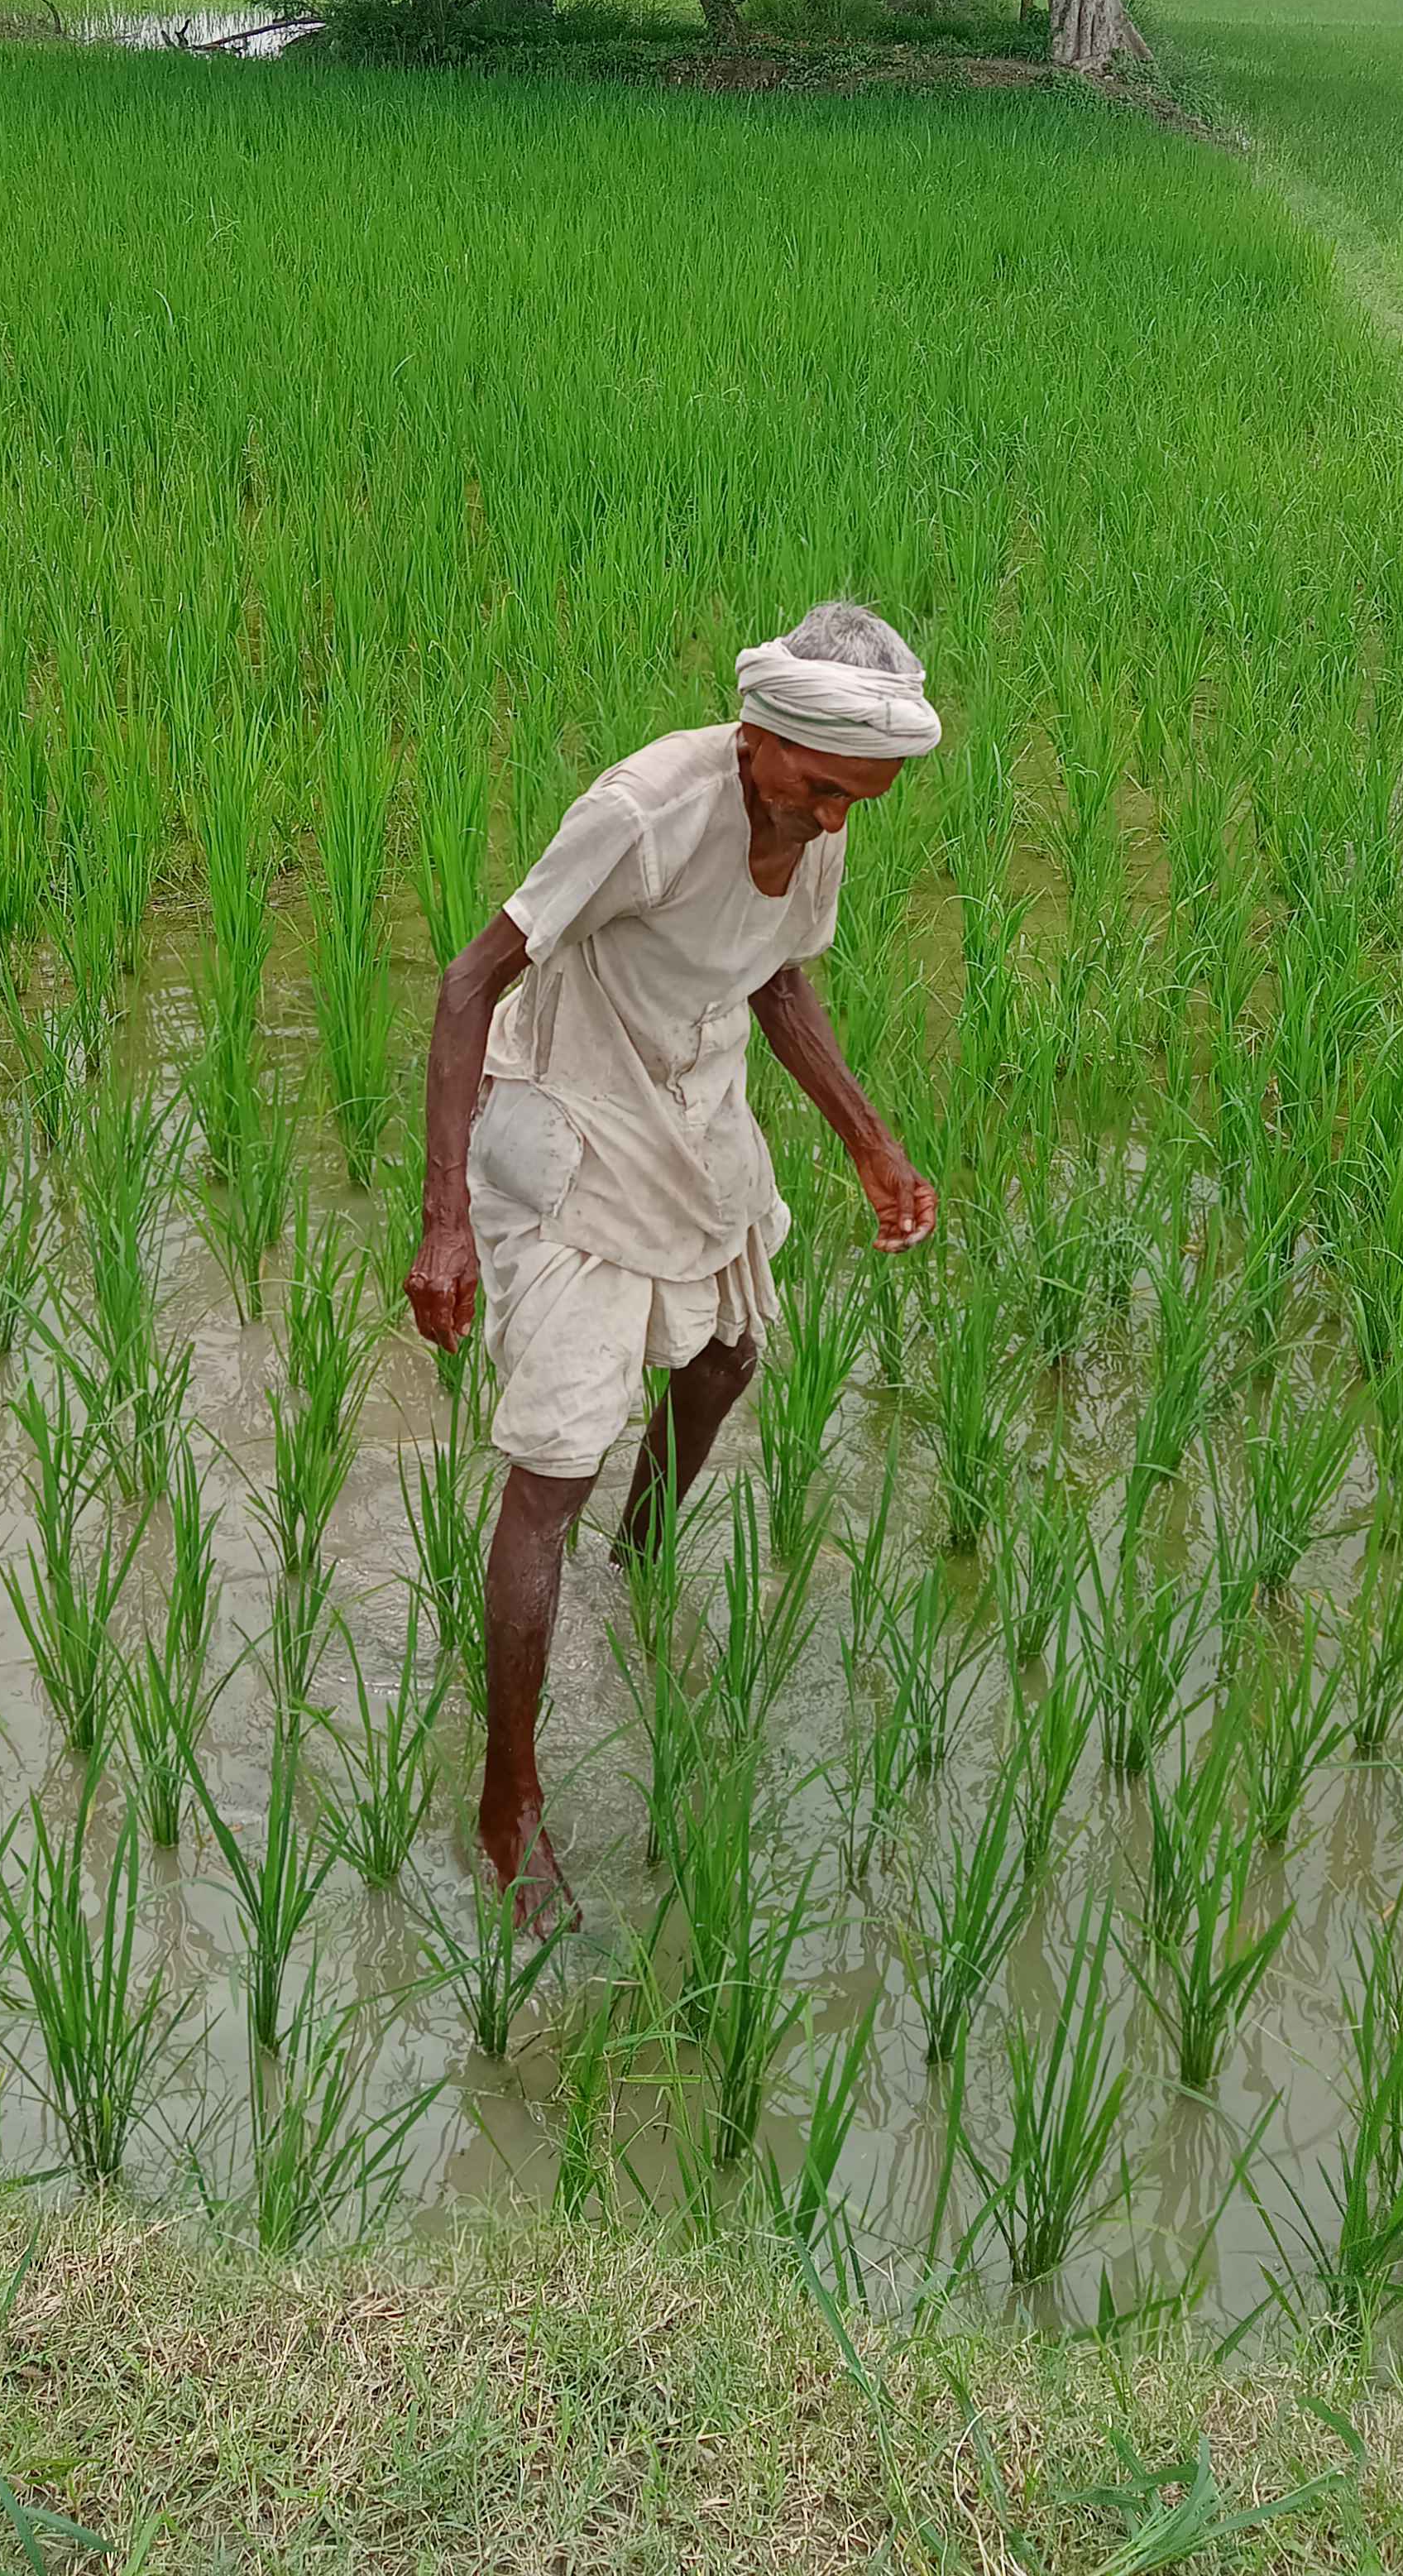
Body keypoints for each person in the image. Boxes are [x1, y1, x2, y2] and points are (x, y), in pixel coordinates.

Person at [405, 602, 942, 1920]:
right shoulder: (643, 813)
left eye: (857, 803)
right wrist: (445, 1220)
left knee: (728, 1354)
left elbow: (777, 981)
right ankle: (509, 1800)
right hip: (575, 1114)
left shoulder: (818, 824)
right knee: (555, 1463)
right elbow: (469, 985)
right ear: (759, 737)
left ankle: (638, 1560)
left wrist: (870, 1145)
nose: (834, 821)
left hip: (694, 1100)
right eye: (821, 790)